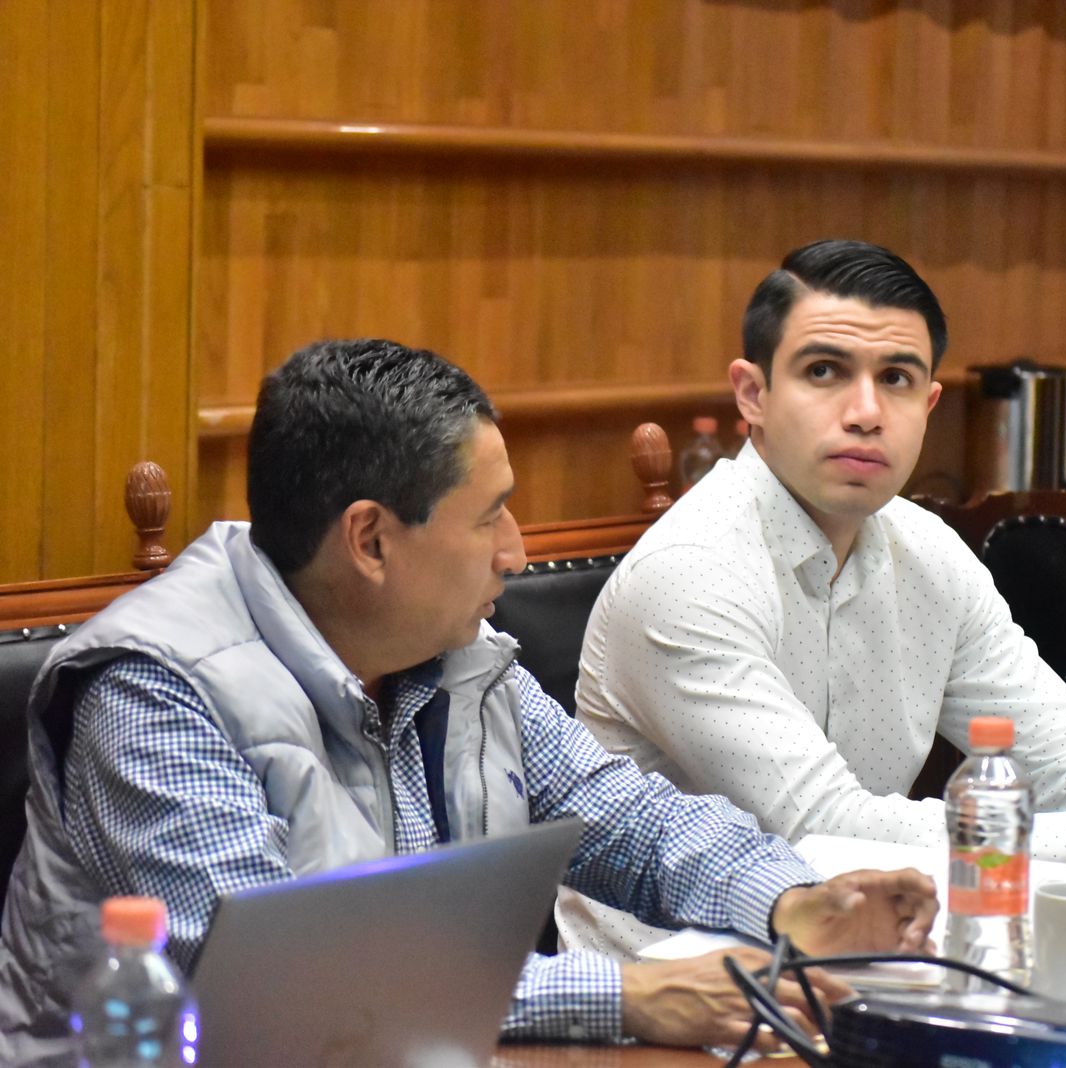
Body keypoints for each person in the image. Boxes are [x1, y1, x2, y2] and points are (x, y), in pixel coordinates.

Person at [0, 339, 937, 1065]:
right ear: (370, 541)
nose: (516, 553)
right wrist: (631, 995)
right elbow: (282, 994)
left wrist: (790, 903)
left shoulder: (453, 651)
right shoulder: (152, 694)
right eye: (490, 515)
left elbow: (627, 820)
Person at [573, 239, 1066, 944]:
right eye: (824, 371)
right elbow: (819, 830)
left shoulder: (927, 552)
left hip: (870, 953)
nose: (866, 412)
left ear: (928, 406)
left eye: (896, 379)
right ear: (753, 394)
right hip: (676, 982)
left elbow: (1060, 757)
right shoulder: (689, 573)